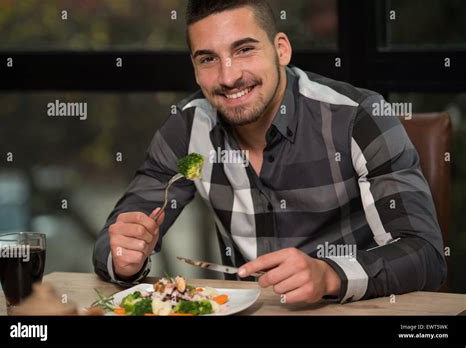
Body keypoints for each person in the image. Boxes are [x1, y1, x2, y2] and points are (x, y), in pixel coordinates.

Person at [93, 0, 446, 304]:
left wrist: (330, 275)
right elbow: (113, 240)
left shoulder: (359, 116)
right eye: (208, 59)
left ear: (281, 49)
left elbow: (424, 254)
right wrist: (125, 258)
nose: (228, 77)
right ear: (195, 70)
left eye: (244, 50)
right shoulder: (186, 129)